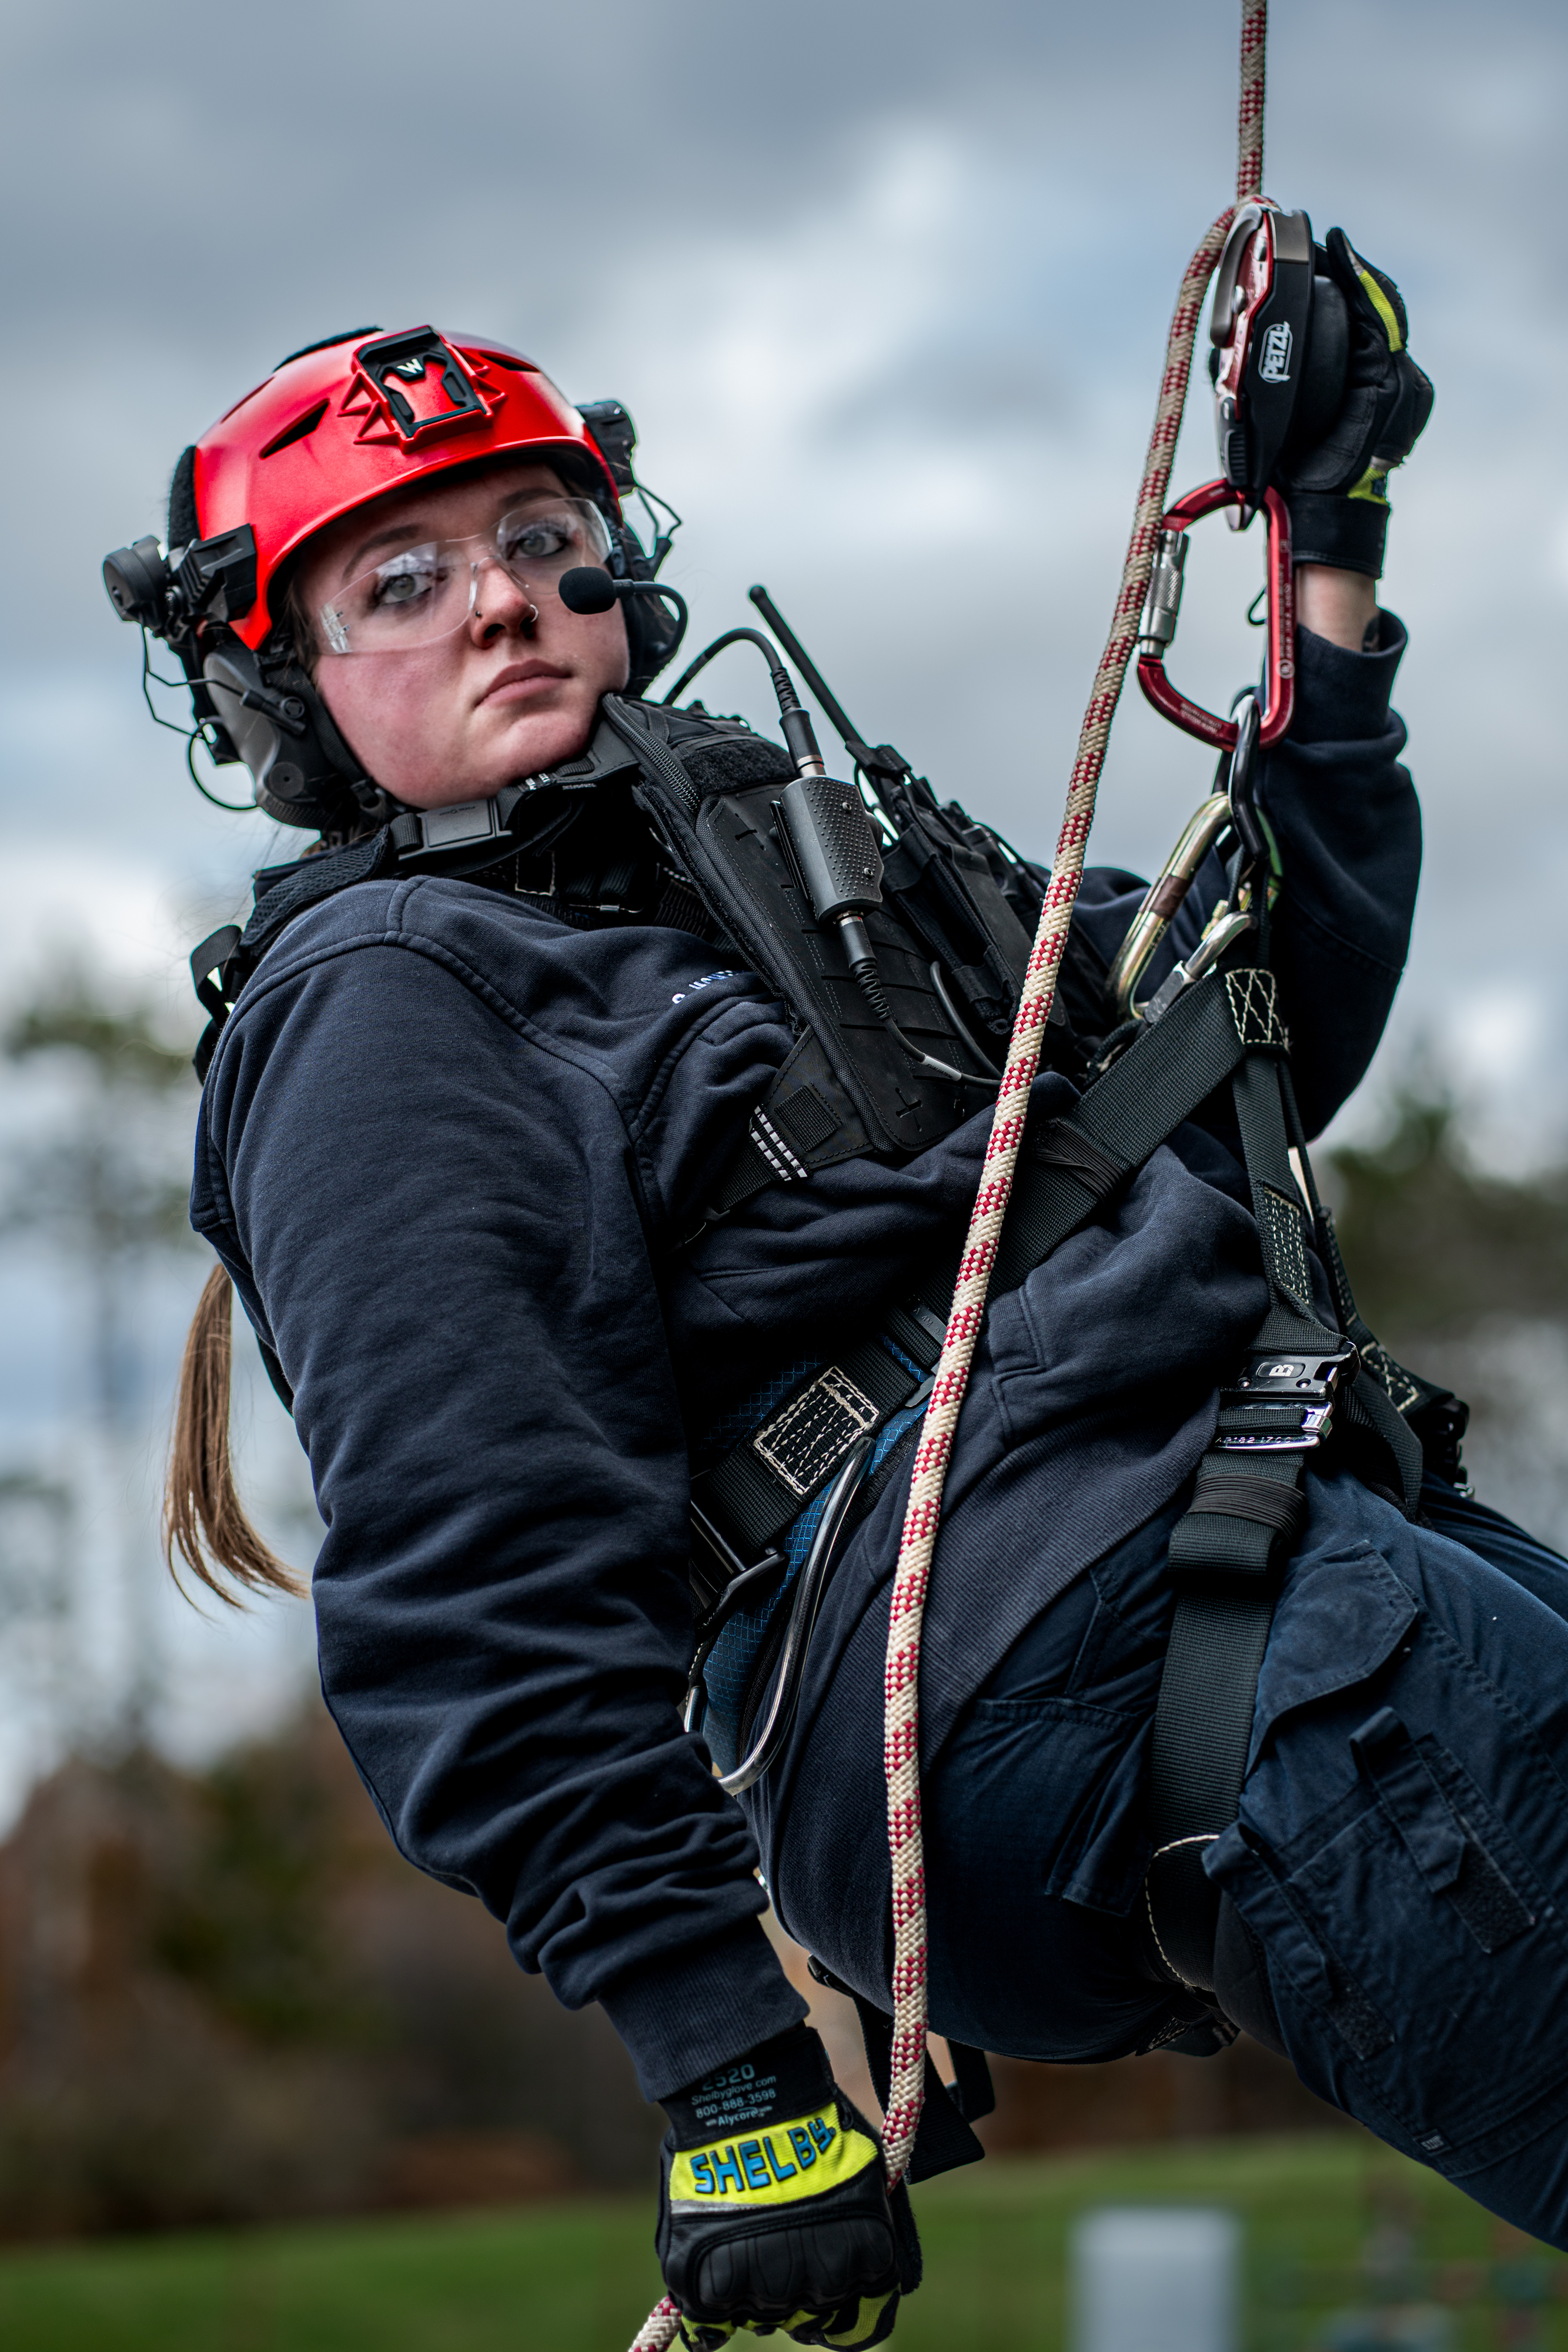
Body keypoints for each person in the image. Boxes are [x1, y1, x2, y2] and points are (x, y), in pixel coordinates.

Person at [99, 266, 1567, 2352]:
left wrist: (1322, 558)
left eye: (540, 542)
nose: (502, 598)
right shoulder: (389, 1010)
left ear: (625, 583)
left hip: (1295, 1559)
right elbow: (466, 1587)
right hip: (1108, 1644)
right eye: (399, 581)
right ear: (282, 700)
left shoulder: (794, 865)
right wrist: (727, 2079)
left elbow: (1249, 1034)